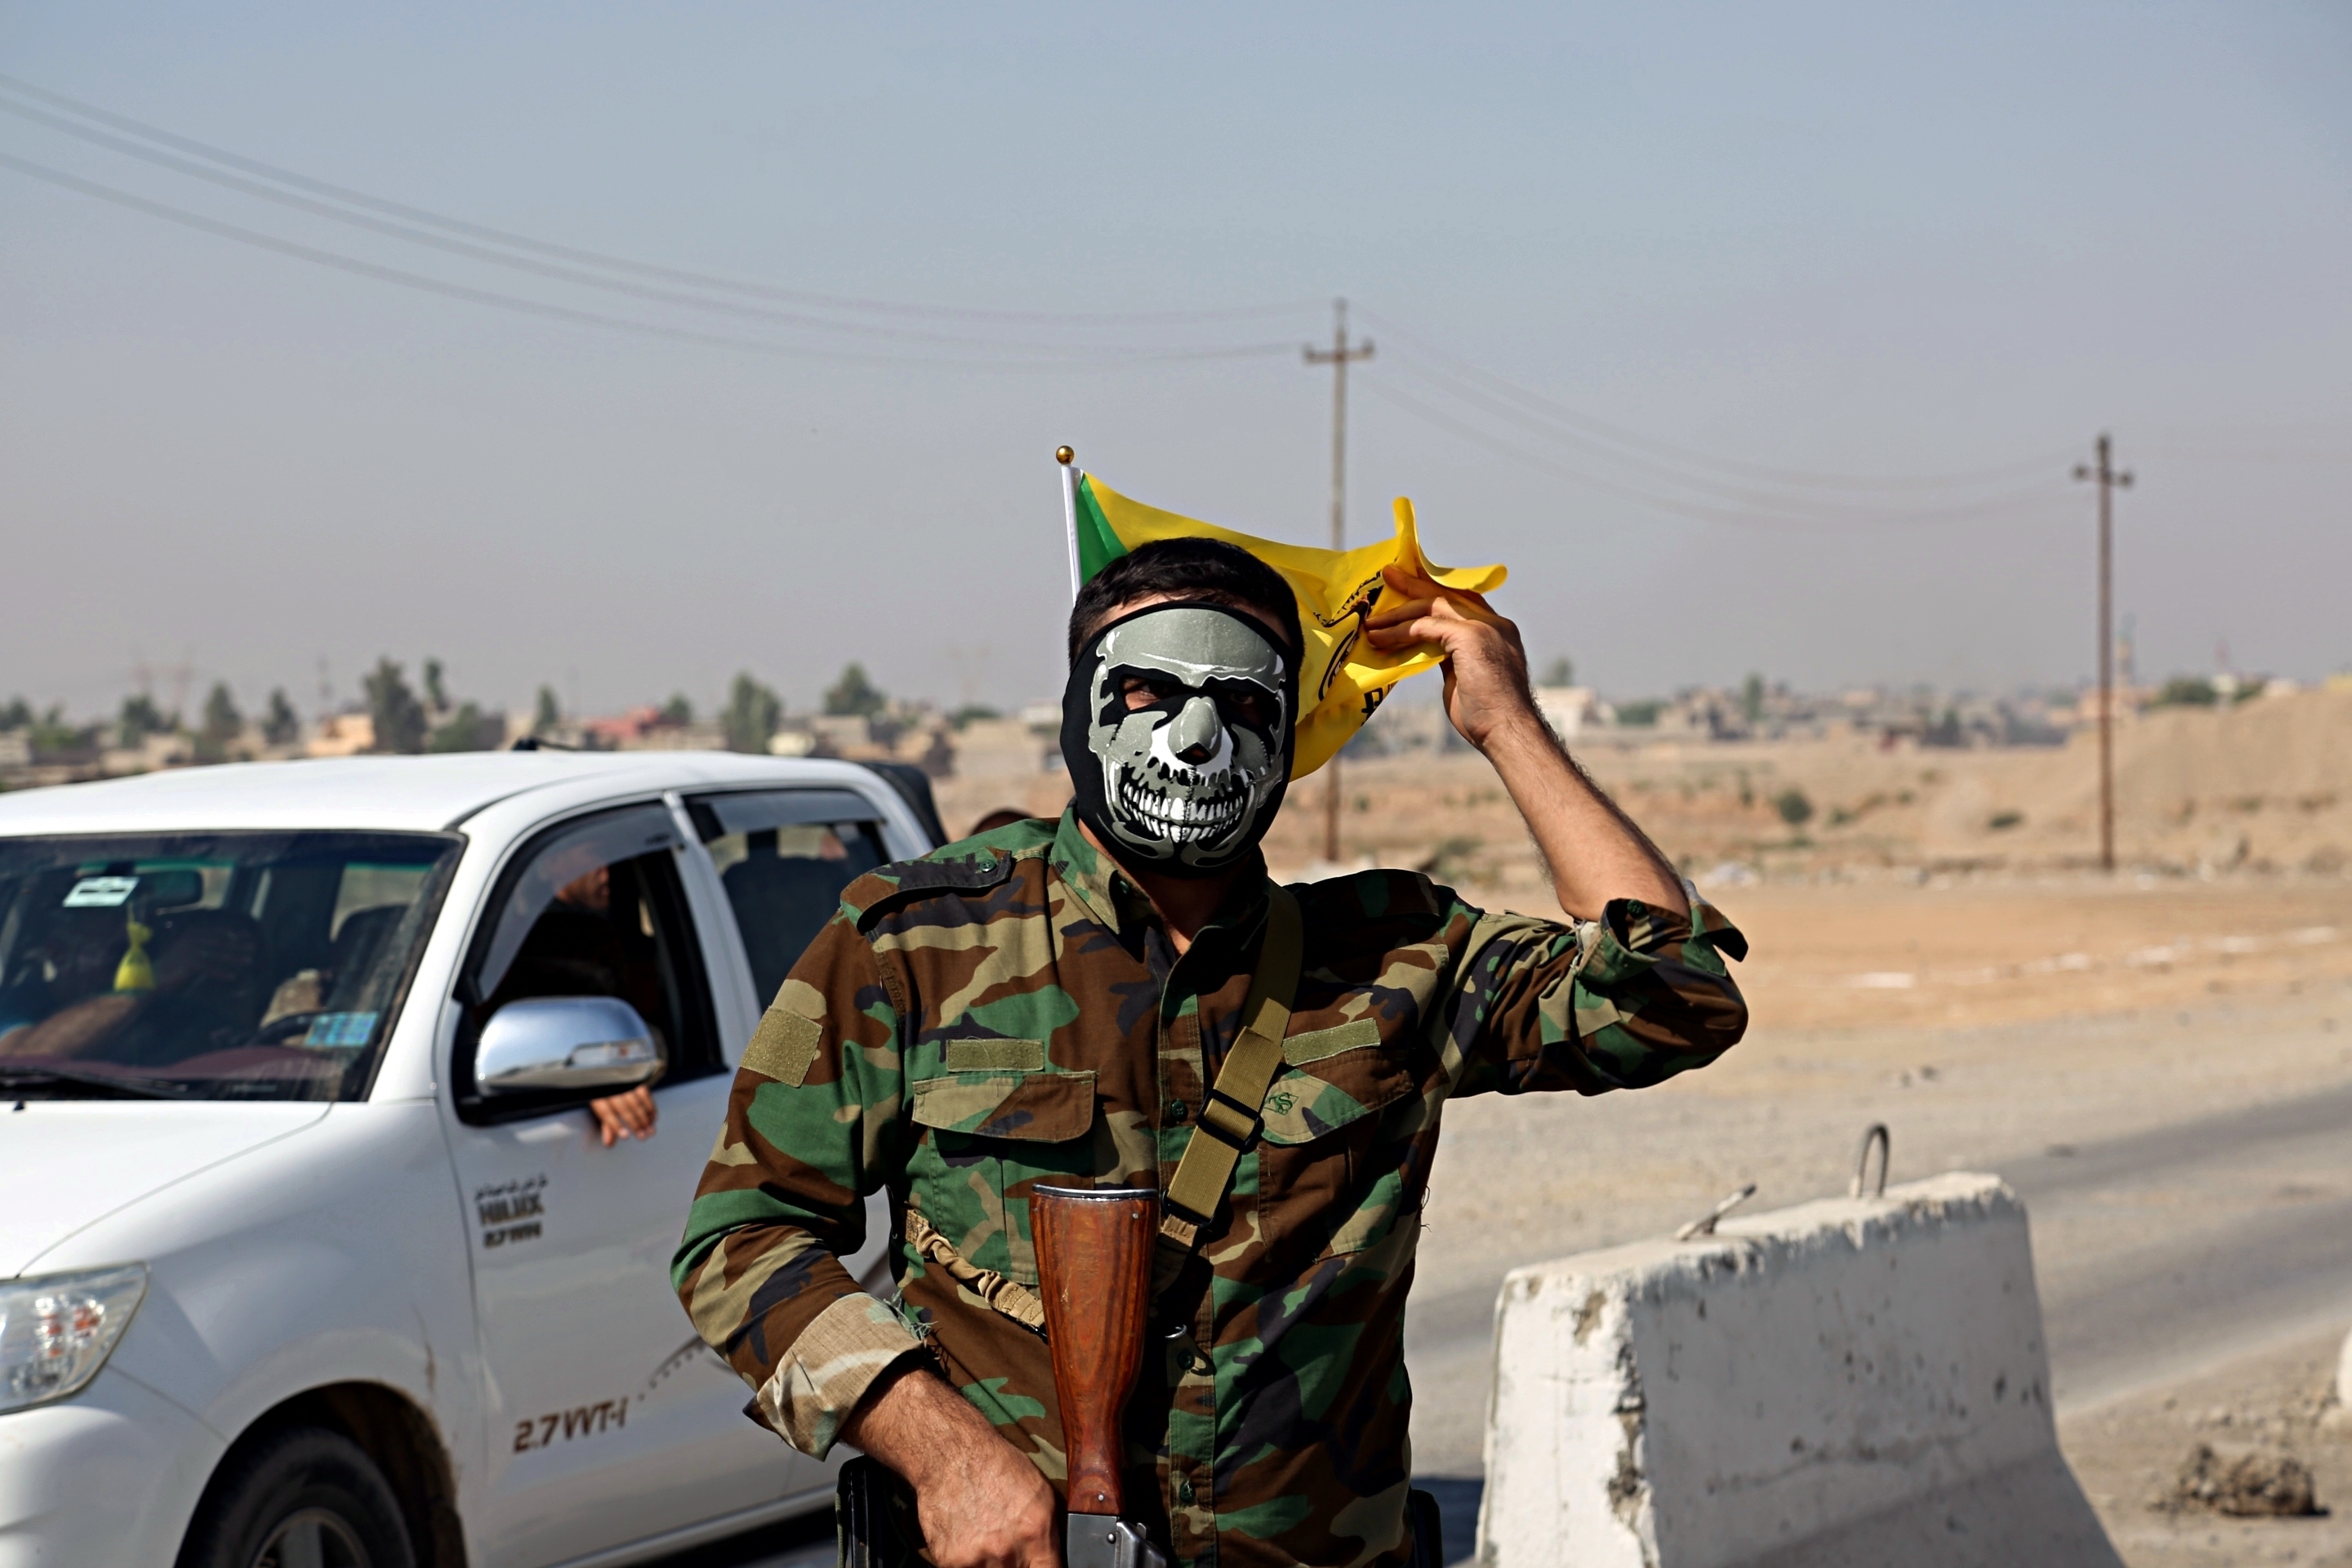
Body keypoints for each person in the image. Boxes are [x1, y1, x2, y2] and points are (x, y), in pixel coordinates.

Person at [672, 538, 1748, 1568]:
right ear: (1082, 703)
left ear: (1291, 733)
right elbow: (743, 1238)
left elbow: (1676, 997)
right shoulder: (918, 941)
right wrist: (943, 1453)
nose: (1194, 740)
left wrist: (1510, 724)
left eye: (1242, 704)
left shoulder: (1399, 957)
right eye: (1148, 692)